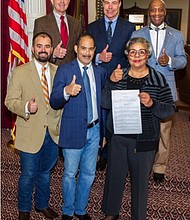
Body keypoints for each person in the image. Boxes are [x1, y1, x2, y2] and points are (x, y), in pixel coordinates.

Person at [101, 37, 175, 220]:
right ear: (127, 55)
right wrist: (110, 82)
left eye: (141, 51)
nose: (137, 56)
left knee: (140, 183)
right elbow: (104, 102)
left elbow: (169, 109)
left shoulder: (158, 78)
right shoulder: (119, 75)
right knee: (114, 177)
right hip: (118, 137)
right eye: (132, 51)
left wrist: (152, 103)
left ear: (148, 55)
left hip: (144, 141)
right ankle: (111, 213)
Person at [50, 33, 107, 220]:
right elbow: (54, 100)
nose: (87, 52)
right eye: (84, 48)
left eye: (91, 48)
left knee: (89, 173)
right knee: (69, 174)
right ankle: (67, 210)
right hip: (73, 130)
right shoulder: (65, 70)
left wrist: (104, 132)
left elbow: (103, 105)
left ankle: (80, 210)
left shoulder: (100, 72)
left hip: (95, 131)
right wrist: (66, 91)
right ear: (76, 49)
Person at [5, 32, 61, 220]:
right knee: (28, 175)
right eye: (39, 46)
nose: (43, 50)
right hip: (30, 132)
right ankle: (24, 210)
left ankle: (42, 205)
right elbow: (9, 101)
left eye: (47, 46)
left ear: (52, 49)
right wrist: (27, 107)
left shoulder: (57, 71)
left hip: (52, 134)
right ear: (33, 48)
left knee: (45, 173)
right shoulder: (21, 72)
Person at [131, 0, 187, 183]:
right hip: (142, 88)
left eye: (159, 10)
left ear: (165, 12)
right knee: (141, 129)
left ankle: (159, 167)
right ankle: (139, 163)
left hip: (166, 91)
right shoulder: (137, 33)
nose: (156, 13)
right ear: (149, 12)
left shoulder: (176, 35)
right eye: (153, 10)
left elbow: (183, 60)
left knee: (164, 131)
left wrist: (169, 60)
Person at [87, 0, 135, 171]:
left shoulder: (129, 28)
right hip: (98, 82)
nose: (110, 7)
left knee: (116, 120)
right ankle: (101, 153)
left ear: (120, 4)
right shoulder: (92, 27)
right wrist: (98, 57)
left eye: (114, 2)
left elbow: (132, 57)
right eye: (106, 2)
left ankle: (113, 155)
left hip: (120, 82)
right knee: (100, 117)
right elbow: (85, 55)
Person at [33, 0, 82, 66]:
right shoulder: (41, 23)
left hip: (71, 71)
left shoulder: (76, 23)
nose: (62, 1)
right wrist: (53, 54)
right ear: (52, 1)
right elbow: (37, 52)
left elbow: (79, 51)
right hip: (51, 72)